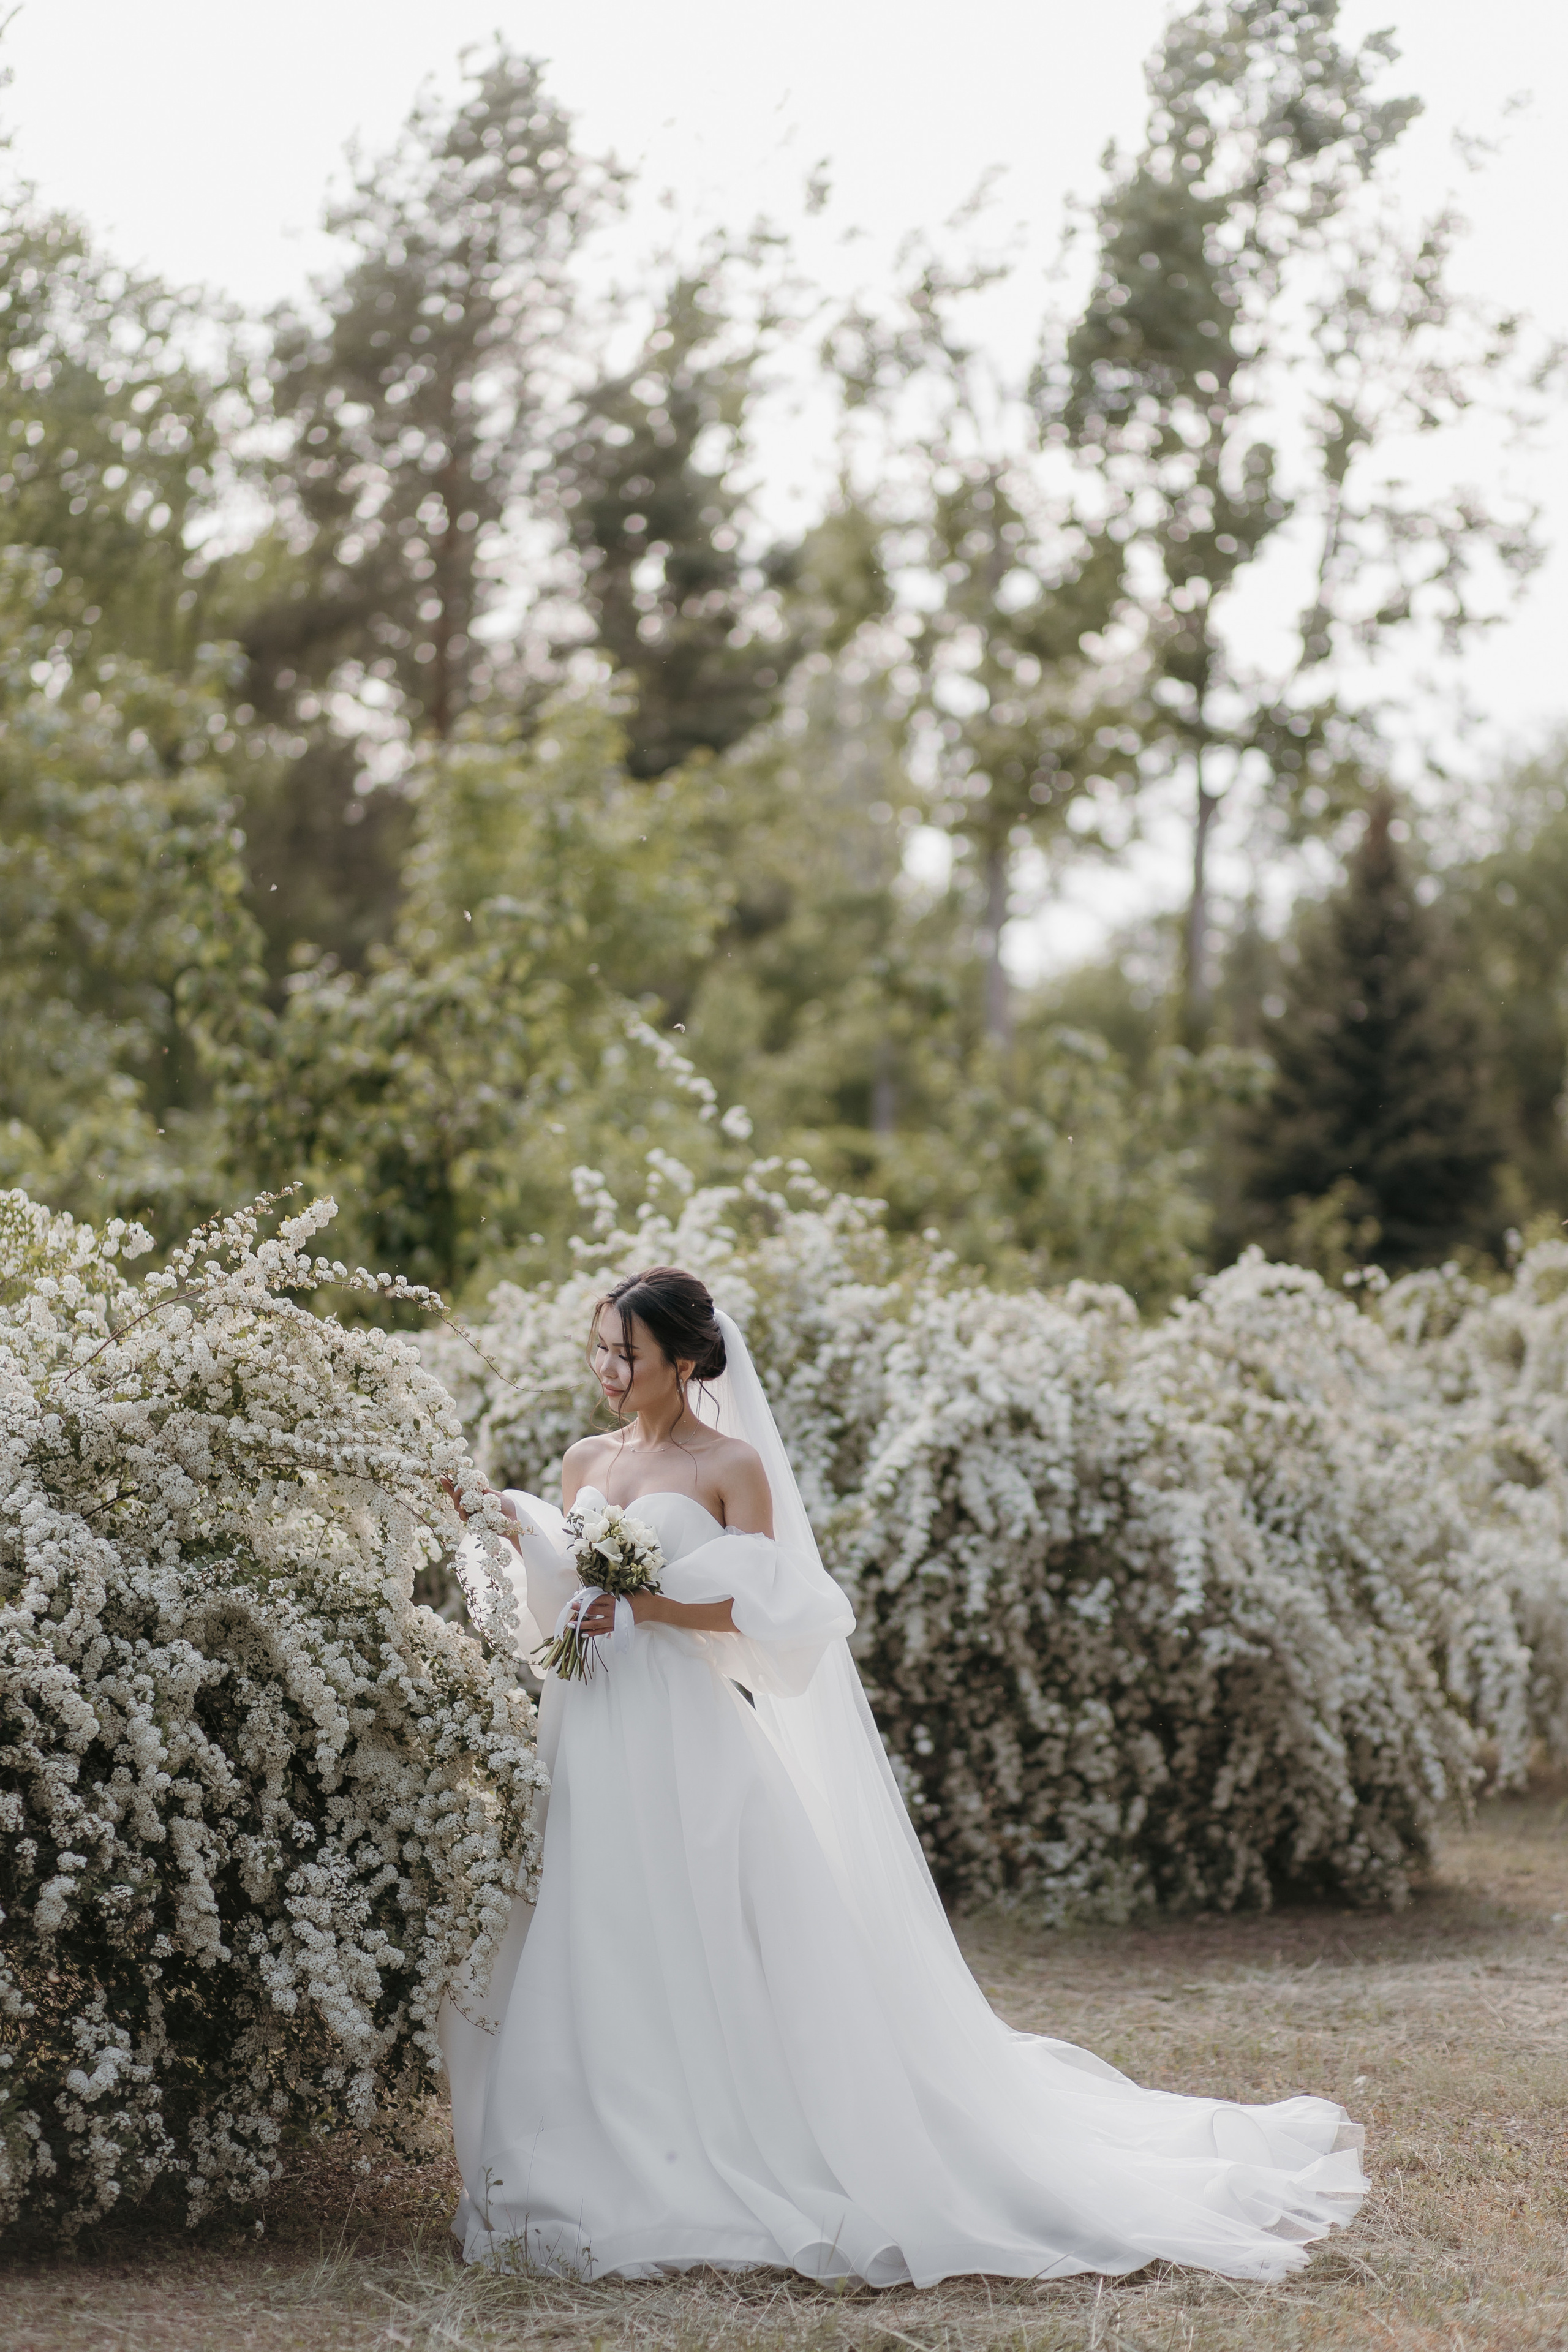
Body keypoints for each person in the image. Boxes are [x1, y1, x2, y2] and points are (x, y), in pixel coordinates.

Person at [439, 1266, 1366, 2287]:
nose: (609, 1371)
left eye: (629, 1353)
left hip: (680, 1727)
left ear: (687, 1360)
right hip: (589, 1721)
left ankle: (721, 2141)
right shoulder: (585, 1460)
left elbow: (774, 1611)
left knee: (700, 1924)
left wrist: (650, 1606)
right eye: (601, 1349)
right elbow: (559, 1585)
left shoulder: (729, 1466)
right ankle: (586, 2142)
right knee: (588, 1916)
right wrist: (508, 1527)